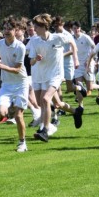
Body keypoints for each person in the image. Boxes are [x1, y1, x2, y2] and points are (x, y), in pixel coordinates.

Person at [29, 14, 83, 143]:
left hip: (55, 76)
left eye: (36, 26)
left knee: (45, 99)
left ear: (44, 26)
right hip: (40, 76)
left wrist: (75, 59)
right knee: (51, 103)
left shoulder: (57, 38)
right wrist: (35, 59)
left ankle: (45, 130)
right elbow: (30, 62)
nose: (34, 28)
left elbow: (72, 43)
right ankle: (75, 112)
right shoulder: (34, 41)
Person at [0, 17, 31, 152]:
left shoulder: (20, 47)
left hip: (20, 83)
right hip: (6, 84)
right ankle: (11, 107)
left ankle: (22, 143)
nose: (6, 31)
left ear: (16, 30)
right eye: (5, 28)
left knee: (18, 116)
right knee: (0, 112)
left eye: (9, 29)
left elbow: (17, 69)